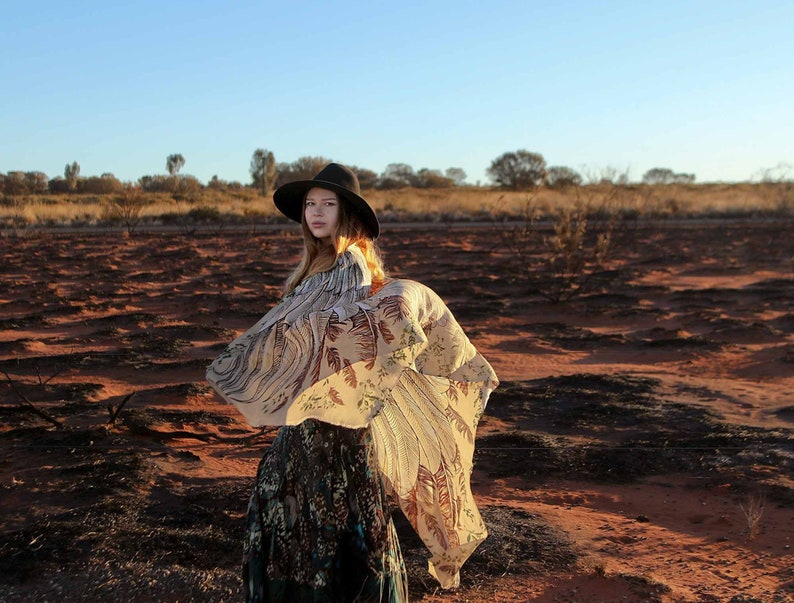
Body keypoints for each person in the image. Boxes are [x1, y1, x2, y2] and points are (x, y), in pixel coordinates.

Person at [207, 163, 498, 602]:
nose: (316, 213)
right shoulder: (314, 271)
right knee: (309, 520)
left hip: (334, 432)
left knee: (331, 526)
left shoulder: (350, 267)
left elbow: (349, 338)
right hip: (312, 425)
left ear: (349, 214)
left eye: (329, 204)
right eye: (310, 204)